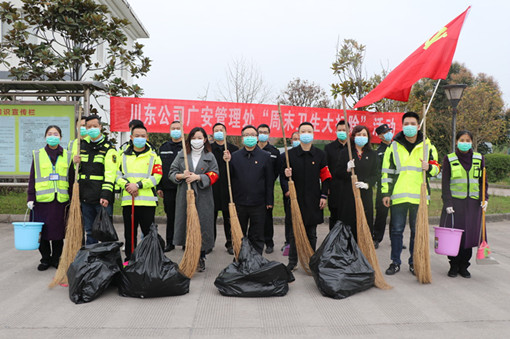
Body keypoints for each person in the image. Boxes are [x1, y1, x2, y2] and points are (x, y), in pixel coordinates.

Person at [381, 112, 440, 275]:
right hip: (398, 196)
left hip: (419, 197)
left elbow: (437, 169)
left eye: (412, 123)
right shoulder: (393, 146)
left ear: (419, 126)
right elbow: (386, 171)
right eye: (406, 123)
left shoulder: (428, 146)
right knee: (396, 231)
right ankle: (395, 262)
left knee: (417, 231)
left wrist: (429, 167)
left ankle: (414, 262)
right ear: (402, 126)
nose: (409, 126)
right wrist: (385, 193)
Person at [282, 122, 331, 271]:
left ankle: (310, 260)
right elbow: (282, 177)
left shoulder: (320, 154)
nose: (306, 134)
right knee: (294, 232)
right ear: (298, 133)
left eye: (309, 131)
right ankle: (292, 261)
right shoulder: (289, 155)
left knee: (312, 232)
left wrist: (324, 195)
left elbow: (326, 177)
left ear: (313, 134)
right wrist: (286, 182)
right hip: (295, 199)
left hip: (314, 198)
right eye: (303, 131)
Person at [440, 130, 488, 278]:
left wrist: (485, 198)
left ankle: (464, 266)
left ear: (471, 142)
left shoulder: (479, 159)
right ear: (456, 141)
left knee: (469, 236)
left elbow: (483, 181)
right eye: (462, 140)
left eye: (468, 140)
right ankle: (453, 265)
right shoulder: (449, 158)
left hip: (473, 205)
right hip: (454, 205)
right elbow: (445, 182)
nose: (465, 143)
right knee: (454, 237)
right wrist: (447, 202)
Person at [170, 127, 218, 272]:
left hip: (203, 197)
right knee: (187, 224)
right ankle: (188, 256)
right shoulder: (182, 155)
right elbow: (172, 173)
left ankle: (201, 257)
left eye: (199, 138)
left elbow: (215, 174)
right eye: (193, 138)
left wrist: (199, 177)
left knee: (202, 226)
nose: (196, 141)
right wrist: (182, 176)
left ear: (204, 139)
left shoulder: (210, 156)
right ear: (189, 140)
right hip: (186, 196)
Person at [223, 125, 274, 255]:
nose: (249, 137)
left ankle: (256, 261)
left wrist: (269, 201)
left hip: (259, 203)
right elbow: (229, 179)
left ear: (257, 138)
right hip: (239, 203)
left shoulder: (265, 156)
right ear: (242, 138)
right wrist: (227, 163)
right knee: (239, 234)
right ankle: (240, 259)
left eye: (252, 135)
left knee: (257, 235)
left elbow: (269, 181)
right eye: (246, 135)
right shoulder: (234, 156)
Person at [27, 125, 72, 270]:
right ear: (45, 136)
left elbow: (71, 179)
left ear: (60, 137)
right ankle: (45, 259)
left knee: (58, 231)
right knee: (43, 231)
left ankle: (56, 259)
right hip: (42, 201)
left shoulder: (67, 155)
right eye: (50, 133)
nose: (53, 136)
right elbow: (32, 177)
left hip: (60, 201)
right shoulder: (38, 154)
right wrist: (30, 197)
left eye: (56, 134)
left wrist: (73, 199)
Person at [116, 125, 162, 261]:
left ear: (147, 138)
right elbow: (117, 176)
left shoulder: (154, 156)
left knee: (148, 234)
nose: (140, 138)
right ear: (131, 137)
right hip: (128, 200)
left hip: (147, 202)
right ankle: (130, 259)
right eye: (137, 136)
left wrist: (138, 185)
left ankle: (149, 260)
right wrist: (127, 186)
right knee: (129, 233)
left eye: (143, 136)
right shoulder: (122, 156)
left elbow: (157, 176)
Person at [72, 114, 117, 245]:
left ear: (100, 127)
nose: (92, 129)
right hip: (85, 196)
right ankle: (90, 261)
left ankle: (106, 261)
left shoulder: (108, 148)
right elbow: (76, 173)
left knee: (105, 231)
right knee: (90, 231)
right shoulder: (82, 146)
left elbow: (110, 174)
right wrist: (74, 163)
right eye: (89, 126)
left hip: (102, 198)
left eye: (95, 126)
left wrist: (106, 195)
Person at [335, 125, 378, 241]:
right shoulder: (346, 152)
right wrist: (347, 169)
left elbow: (376, 174)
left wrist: (367, 184)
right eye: (358, 134)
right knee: (349, 225)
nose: (361, 137)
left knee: (365, 223)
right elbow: (337, 173)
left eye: (364, 135)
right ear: (353, 136)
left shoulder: (372, 154)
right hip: (349, 194)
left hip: (365, 195)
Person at [210, 123, 238, 255]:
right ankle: (210, 243)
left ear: (226, 133)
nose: (219, 132)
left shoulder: (234, 149)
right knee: (211, 217)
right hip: (212, 188)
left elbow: (238, 170)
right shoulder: (208, 149)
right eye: (216, 131)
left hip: (229, 188)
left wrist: (230, 161)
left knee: (229, 217)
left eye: (221, 130)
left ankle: (230, 243)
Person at [156, 121, 183, 252]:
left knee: (184, 215)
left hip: (183, 188)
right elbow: (159, 168)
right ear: (169, 130)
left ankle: (184, 242)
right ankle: (170, 242)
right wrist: (159, 187)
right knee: (170, 216)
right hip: (168, 188)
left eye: (178, 128)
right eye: (173, 128)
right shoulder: (164, 147)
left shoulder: (186, 147)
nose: (176, 130)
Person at [257, 123, 280, 254]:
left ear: (269, 134)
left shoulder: (274, 151)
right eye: (260, 132)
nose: (262, 134)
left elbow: (276, 170)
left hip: (268, 188)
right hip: (253, 187)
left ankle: (269, 242)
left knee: (267, 217)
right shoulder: (252, 149)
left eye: (265, 132)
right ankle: (255, 241)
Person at [324, 120, 349, 230]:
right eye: (339, 130)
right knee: (334, 214)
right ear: (336, 131)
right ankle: (333, 240)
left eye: (344, 130)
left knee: (348, 215)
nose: (342, 132)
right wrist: (326, 187)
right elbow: (325, 169)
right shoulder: (329, 148)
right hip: (334, 188)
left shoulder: (352, 148)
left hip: (349, 187)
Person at [373, 123, 394, 249]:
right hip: (383, 186)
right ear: (380, 136)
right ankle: (376, 238)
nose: (388, 134)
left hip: (396, 186)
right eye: (385, 132)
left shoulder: (396, 148)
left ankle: (395, 238)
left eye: (389, 131)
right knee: (381, 214)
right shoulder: (379, 152)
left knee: (396, 215)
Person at [280, 131, 300, 254]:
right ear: (291, 140)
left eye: (299, 138)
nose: (297, 140)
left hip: (303, 193)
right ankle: (288, 242)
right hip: (289, 193)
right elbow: (281, 176)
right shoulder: (285, 156)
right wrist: (286, 190)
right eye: (295, 138)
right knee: (289, 218)